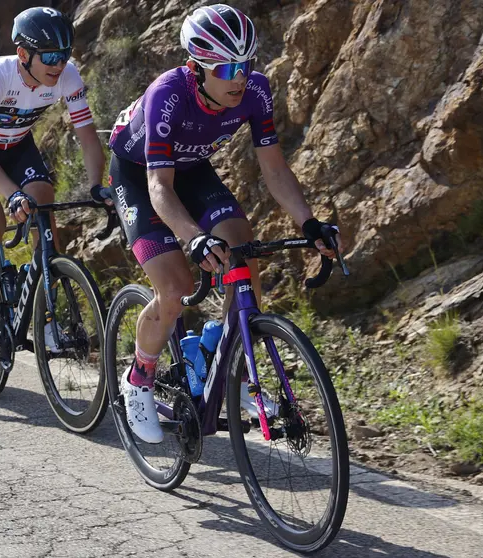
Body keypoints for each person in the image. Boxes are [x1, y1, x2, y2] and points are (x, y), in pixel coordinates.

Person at [107, 4, 343, 443]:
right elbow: (159, 186)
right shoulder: (168, 94)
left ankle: (230, 365)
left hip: (194, 169)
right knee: (175, 288)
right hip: (140, 175)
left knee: (241, 251)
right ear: (197, 67)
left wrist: (309, 223)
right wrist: (194, 238)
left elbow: (274, 168)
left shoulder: (255, 91)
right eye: (227, 67)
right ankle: (138, 378)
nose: (239, 77)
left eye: (246, 63)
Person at [0, 7, 105, 350]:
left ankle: (46, 316)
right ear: (23, 53)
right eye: (50, 55)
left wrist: (97, 185)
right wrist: (11, 195)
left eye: (64, 55)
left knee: (45, 220)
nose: (59, 64)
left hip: (19, 145)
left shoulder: (67, 76)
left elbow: (89, 138)